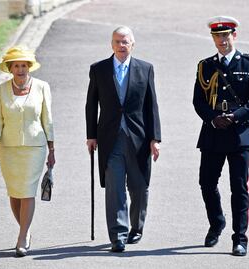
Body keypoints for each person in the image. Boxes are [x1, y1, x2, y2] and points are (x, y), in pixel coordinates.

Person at [193, 16, 249, 256]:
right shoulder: (205, 65)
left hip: (239, 135)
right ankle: (217, 223)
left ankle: (240, 238)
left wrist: (234, 117)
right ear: (212, 38)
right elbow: (198, 100)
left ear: (234, 35)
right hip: (213, 133)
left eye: (225, 35)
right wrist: (213, 118)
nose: (222, 40)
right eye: (217, 36)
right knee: (207, 183)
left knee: (239, 187)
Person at [85, 26, 161, 252]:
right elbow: (91, 104)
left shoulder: (145, 69)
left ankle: (136, 228)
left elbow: (151, 105)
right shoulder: (99, 69)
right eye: (117, 41)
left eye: (125, 41)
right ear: (111, 44)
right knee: (114, 188)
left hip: (139, 139)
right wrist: (91, 135)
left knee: (139, 188)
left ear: (132, 44)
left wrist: (155, 138)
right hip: (110, 138)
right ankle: (118, 235)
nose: (121, 45)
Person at [0, 46, 55, 257]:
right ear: (10, 68)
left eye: (24, 65)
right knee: (14, 193)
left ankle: (22, 236)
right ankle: (24, 229)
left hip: (35, 147)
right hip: (8, 148)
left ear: (29, 67)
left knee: (27, 191)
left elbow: (48, 119)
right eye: (16, 65)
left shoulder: (42, 87)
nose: (20, 69)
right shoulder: (1, 90)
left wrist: (52, 149)